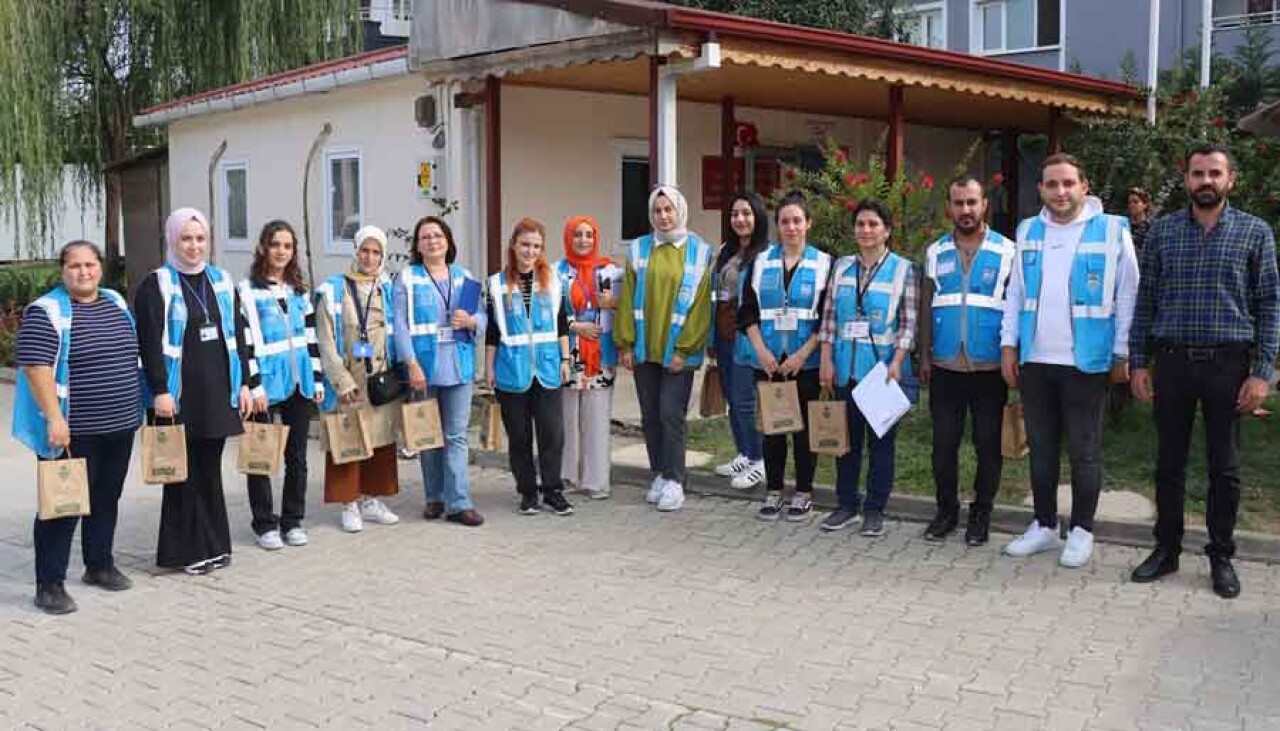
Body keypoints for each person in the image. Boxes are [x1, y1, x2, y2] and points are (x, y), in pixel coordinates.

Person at [1129, 143, 1279, 599]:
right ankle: (1167, 549)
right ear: (1187, 178)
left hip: (1228, 365)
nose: (1206, 181)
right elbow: (1146, 300)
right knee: (1169, 464)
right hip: (1172, 362)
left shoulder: (1254, 233)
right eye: (1198, 173)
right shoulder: (1163, 232)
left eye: (1215, 173)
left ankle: (1221, 555)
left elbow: (1271, 304)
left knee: (1225, 468)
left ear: (1230, 179)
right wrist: (1138, 361)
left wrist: (1262, 372)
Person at [999, 153, 1138, 568]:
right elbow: (1016, 294)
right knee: (1041, 449)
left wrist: (1123, 352)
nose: (1060, 192)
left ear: (1084, 186)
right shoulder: (1028, 230)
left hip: (1088, 362)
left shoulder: (1112, 230)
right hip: (1037, 360)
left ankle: (1081, 530)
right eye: (1052, 184)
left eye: (1068, 183)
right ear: (1040, 189)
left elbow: (1128, 292)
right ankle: (1044, 525)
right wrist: (1009, 345)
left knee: (1084, 451)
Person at [13, 241, 142, 614]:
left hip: (119, 425)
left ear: (101, 268)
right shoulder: (47, 311)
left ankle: (99, 565)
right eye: (75, 266)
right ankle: (49, 584)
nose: (83, 272)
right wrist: (55, 417)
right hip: (72, 431)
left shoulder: (115, 302)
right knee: (62, 506)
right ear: (62, 271)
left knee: (105, 500)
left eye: (90, 264)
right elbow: (36, 368)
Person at [135, 207, 258, 575]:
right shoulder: (155, 284)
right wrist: (159, 390)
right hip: (177, 395)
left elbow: (240, 336)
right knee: (182, 475)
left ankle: (215, 544)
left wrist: (247, 384)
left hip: (218, 394)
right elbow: (149, 345)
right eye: (186, 239)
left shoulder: (221, 280)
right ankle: (188, 552)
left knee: (209, 470)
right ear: (172, 240)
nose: (194, 246)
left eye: (200, 238)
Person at [917, 176, 1015, 546]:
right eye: (958, 203)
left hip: (990, 368)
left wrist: (1012, 355)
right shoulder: (935, 251)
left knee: (988, 445)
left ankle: (981, 515)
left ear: (984, 204)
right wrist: (923, 353)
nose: (965, 211)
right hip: (944, 367)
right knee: (943, 445)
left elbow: (1016, 308)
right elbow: (926, 307)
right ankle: (946, 512)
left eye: (971, 202)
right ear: (949, 207)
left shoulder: (1008, 251)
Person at [818, 198, 918, 537]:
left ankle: (875, 509)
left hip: (880, 372)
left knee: (881, 445)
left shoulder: (903, 269)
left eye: (873, 224)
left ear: (887, 230)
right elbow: (829, 318)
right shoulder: (842, 267)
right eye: (860, 224)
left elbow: (908, 323)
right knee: (845, 443)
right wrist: (827, 359)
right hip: (845, 367)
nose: (866, 230)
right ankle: (846, 504)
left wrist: (898, 363)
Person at [614, 186, 714, 512]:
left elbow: (701, 307)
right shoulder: (640, 249)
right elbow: (628, 298)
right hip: (645, 349)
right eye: (657, 211)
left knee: (672, 414)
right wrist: (626, 342)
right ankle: (659, 472)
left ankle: (675, 479)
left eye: (669, 209)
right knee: (651, 415)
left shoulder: (699, 251)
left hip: (677, 353)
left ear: (680, 211)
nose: (663, 216)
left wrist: (684, 349)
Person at [738, 192, 831, 521]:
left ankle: (804, 492)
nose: (791, 227)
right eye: (784, 221)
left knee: (804, 431)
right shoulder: (761, 262)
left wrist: (803, 354)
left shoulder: (824, 263)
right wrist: (761, 350)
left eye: (797, 220)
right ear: (777, 225)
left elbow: (827, 316)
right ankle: (774, 490)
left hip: (805, 362)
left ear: (808, 224)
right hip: (769, 360)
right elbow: (747, 311)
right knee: (773, 430)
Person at [237, 220, 325, 550]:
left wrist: (316, 378)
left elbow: (311, 339)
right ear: (263, 247)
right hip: (265, 385)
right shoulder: (246, 291)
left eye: (287, 246)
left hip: (299, 382)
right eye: (275, 245)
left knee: (297, 457)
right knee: (260, 454)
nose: (281, 252)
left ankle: (293, 520)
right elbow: (243, 342)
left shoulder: (299, 291)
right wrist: (254, 385)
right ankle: (264, 524)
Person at [397, 216, 486, 527]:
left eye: (438, 235)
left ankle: (459, 502)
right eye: (425, 237)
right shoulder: (407, 278)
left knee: (456, 436)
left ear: (448, 241)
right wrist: (411, 363)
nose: (432, 241)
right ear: (418, 246)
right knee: (428, 435)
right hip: (424, 366)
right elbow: (400, 325)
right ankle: (434, 497)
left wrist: (473, 322)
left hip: (459, 365)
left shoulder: (465, 277)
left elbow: (482, 316)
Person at [316, 225, 402, 533]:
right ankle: (348, 503)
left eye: (376, 252)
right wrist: (341, 381)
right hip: (350, 379)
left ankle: (369, 499)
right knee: (347, 439)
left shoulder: (390, 288)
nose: (370, 257)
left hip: (381, 380)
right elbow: (325, 341)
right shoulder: (333, 289)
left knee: (380, 441)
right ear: (355, 252)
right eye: (364, 250)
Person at [485, 218, 574, 516]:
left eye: (536, 246)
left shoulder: (553, 280)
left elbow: (562, 324)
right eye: (525, 244)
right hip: (512, 370)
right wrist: (489, 368)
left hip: (548, 369)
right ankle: (527, 492)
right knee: (520, 438)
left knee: (552, 434)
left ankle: (553, 491)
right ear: (514, 245)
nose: (530, 251)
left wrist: (565, 360)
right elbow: (493, 332)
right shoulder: (496, 284)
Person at [555, 215, 621, 500]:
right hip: (567, 352)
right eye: (577, 235)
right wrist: (574, 326)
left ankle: (595, 480)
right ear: (568, 238)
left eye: (589, 235)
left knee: (596, 417)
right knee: (566, 417)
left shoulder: (611, 271)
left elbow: (625, 309)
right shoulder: (555, 272)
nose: (583, 240)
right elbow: (549, 313)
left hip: (601, 352)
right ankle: (565, 475)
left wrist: (615, 302)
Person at [711, 192, 768, 490]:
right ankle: (744, 453)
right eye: (735, 214)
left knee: (747, 401)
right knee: (733, 398)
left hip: (749, 333)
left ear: (757, 217)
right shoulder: (725, 251)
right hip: (724, 331)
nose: (740, 219)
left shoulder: (766, 254)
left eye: (746, 213)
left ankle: (760, 460)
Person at [1126, 187, 1154, 252]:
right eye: (1129, 202)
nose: (1131, 205)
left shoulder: (1152, 227)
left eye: (1135, 202)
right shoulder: (1124, 226)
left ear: (1145, 205)